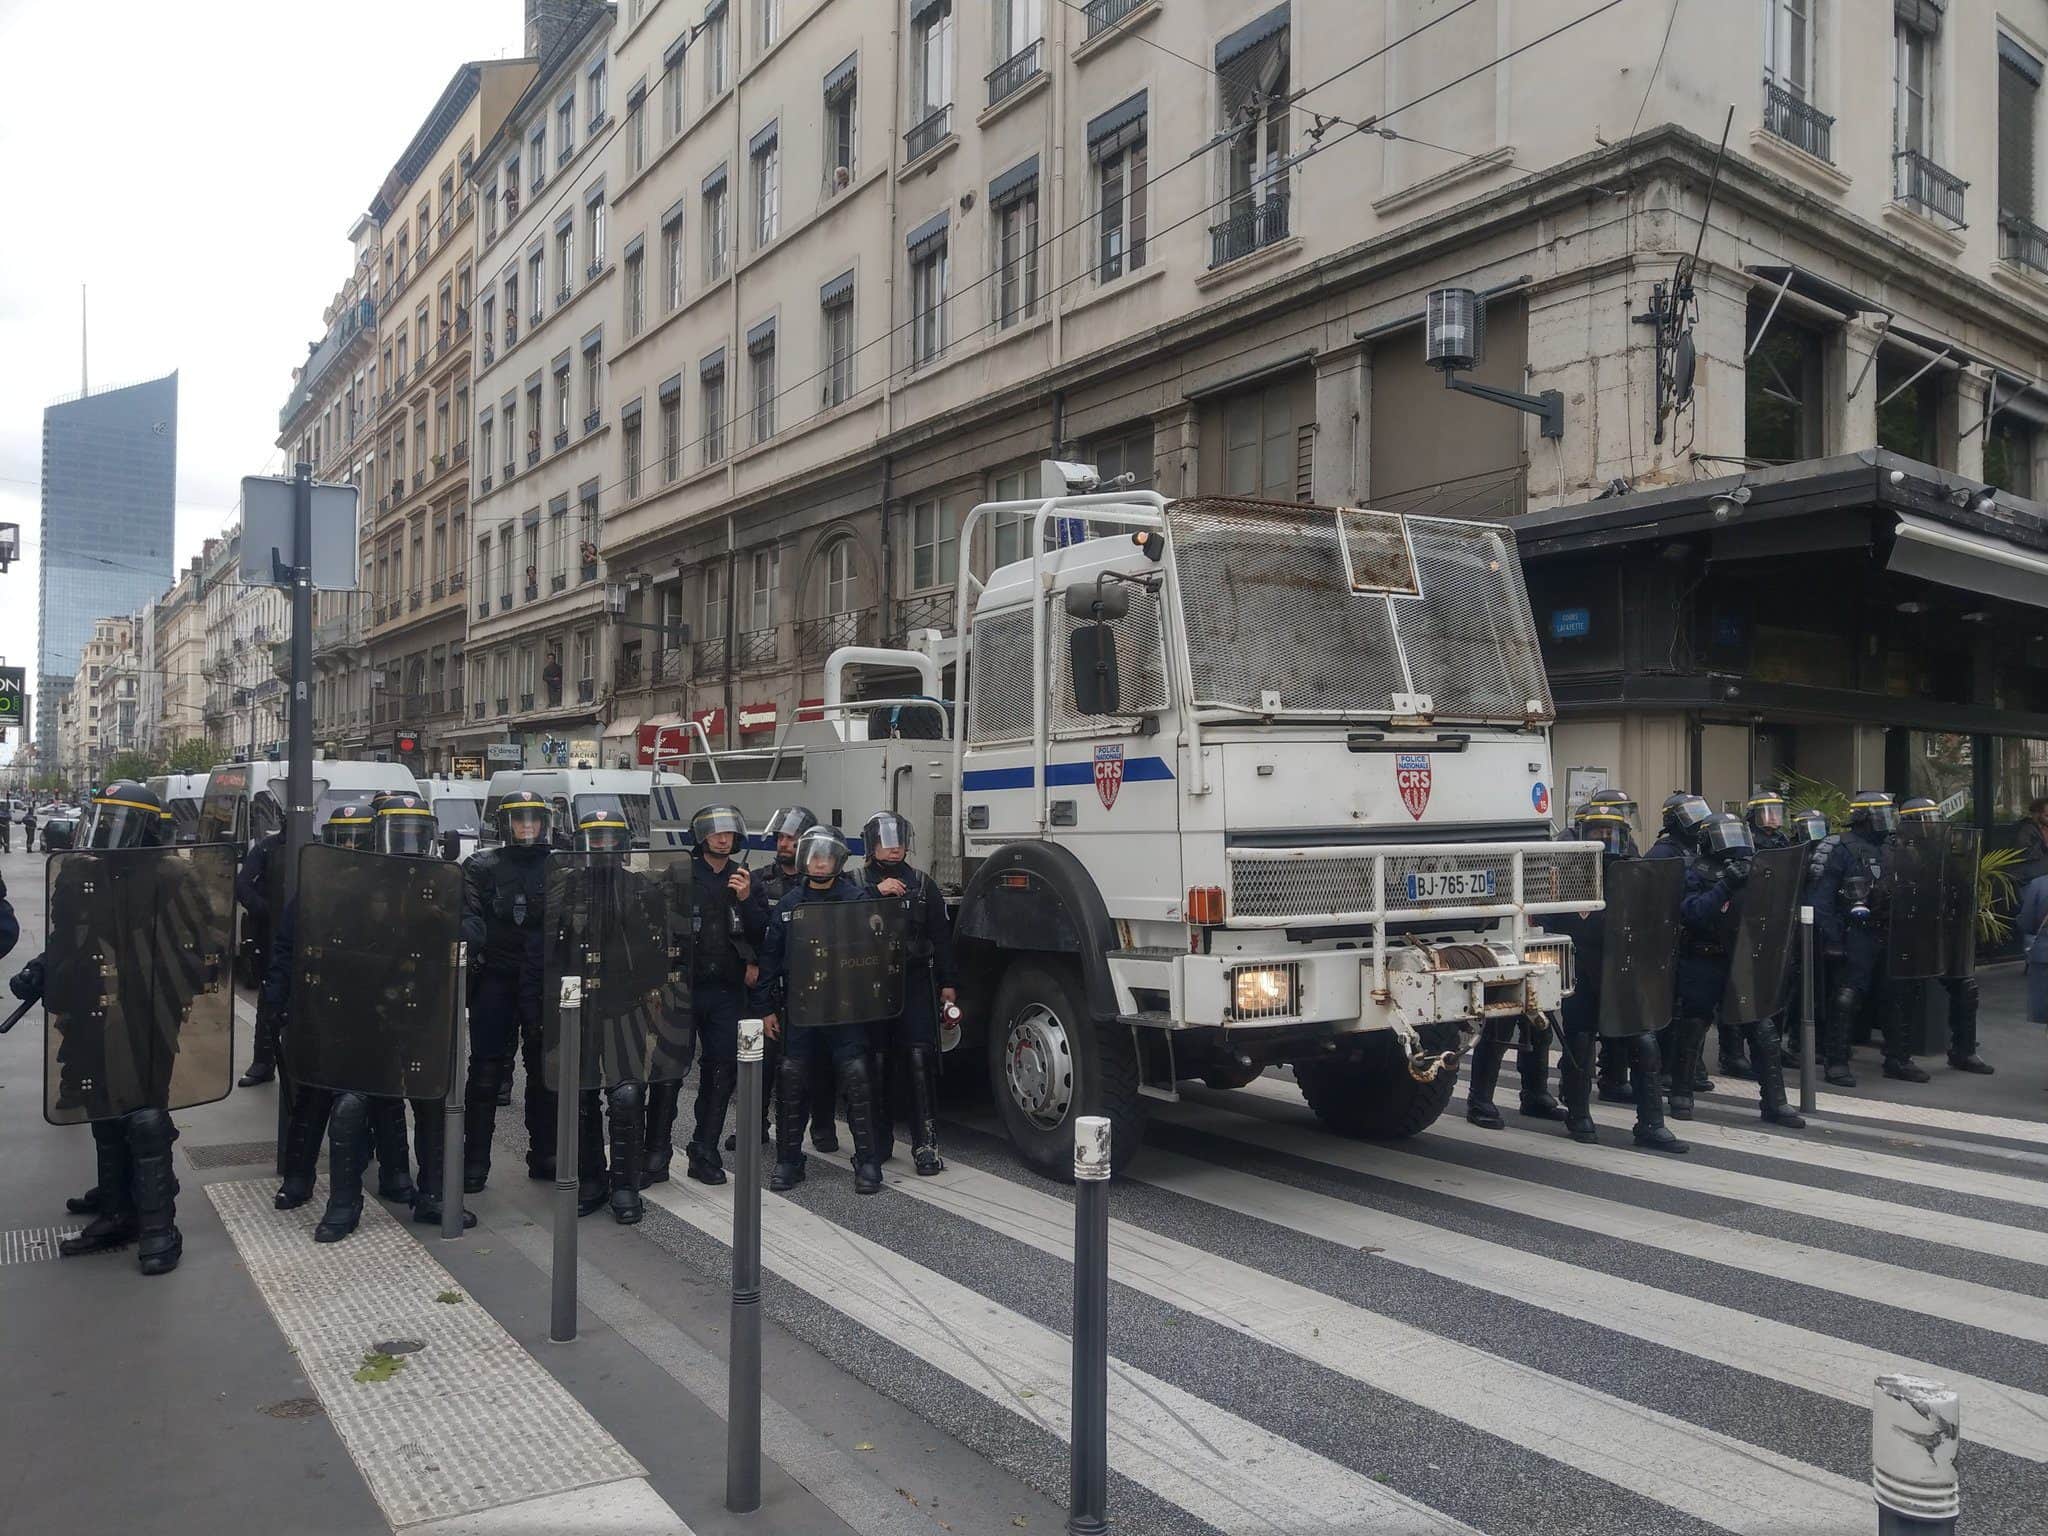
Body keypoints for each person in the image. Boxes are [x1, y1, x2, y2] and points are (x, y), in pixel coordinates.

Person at [9, 782, 188, 1275]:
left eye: (122, 825)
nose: (110, 836)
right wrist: (43, 970)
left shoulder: (173, 878)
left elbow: (199, 950)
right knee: (104, 1112)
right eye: (105, 822)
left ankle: (158, 1227)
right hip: (93, 1008)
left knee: (145, 1118)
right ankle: (117, 1208)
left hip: (147, 1015)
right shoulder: (80, 875)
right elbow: (69, 939)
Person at [1547, 790, 1687, 1152]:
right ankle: (1578, 1112)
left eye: (1611, 833)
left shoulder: (1636, 871)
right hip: (1583, 966)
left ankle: (1651, 1123)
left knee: (1644, 1042)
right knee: (1580, 1040)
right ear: (1583, 835)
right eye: (1598, 833)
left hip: (1624, 968)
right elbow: (1550, 919)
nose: (1605, 841)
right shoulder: (1567, 870)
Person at [755, 826, 886, 1194]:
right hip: (800, 1007)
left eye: (826, 857)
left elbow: (875, 953)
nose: (819, 863)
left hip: (844, 1007)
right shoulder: (789, 903)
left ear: (838, 860)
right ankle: (789, 1160)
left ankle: (867, 1161)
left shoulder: (856, 899)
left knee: (857, 1076)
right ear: (804, 859)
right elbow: (769, 960)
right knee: (792, 1076)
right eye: (813, 856)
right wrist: (765, 1009)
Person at [460, 791, 557, 1193]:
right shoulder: (481, 866)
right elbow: (467, 916)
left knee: (543, 1071)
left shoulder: (558, 866)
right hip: (495, 978)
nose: (528, 827)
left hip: (540, 981)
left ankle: (545, 1154)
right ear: (506, 825)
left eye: (535, 819)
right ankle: (474, 1161)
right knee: (485, 1072)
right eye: (520, 820)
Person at [672, 804, 768, 1186]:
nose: (723, 838)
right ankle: (654, 1153)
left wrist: (745, 900)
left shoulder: (744, 879)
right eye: (716, 833)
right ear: (701, 837)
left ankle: (705, 1149)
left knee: (721, 1071)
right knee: (669, 1072)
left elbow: (763, 934)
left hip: (726, 991)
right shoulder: (680, 875)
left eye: (729, 833)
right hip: (683, 988)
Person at [858, 811, 957, 1174]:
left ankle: (926, 1144)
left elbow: (941, 938)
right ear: (871, 844)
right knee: (876, 1061)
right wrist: (873, 893)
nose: (894, 846)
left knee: (919, 1060)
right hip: (872, 980)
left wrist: (948, 984)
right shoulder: (856, 880)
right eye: (886, 839)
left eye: (899, 838)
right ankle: (879, 1140)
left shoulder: (922, 883)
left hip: (914, 981)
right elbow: (839, 918)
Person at [1807, 790, 1923, 1086]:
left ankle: (1898, 1058)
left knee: (1897, 996)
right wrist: (1833, 939)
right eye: (1880, 815)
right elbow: (1822, 900)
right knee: (1847, 997)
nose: (1887, 822)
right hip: (1855, 932)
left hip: (1890, 930)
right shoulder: (1840, 847)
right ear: (1861, 817)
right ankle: (1836, 1060)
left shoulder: (1894, 848)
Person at [738, 805, 836, 1155]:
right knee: (762, 1061)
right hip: (771, 979)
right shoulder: (759, 878)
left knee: (819, 1062)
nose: (784, 843)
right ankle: (755, 1124)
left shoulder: (822, 881)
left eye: (792, 838)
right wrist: (750, 962)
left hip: (814, 982)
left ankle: (822, 1127)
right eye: (780, 837)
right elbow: (747, 928)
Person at [573, 807, 651, 1224]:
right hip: (579, 1003)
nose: (602, 845)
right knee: (582, 1095)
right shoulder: (566, 886)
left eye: (609, 838)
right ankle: (590, 1179)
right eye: (595, 837)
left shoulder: (639, 887)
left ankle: (625, 1184)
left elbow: (658, 943)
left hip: (625, 1001)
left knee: (626, 1096)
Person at [1899, 797, 1994, 1075]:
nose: (1932, 824)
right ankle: (1899, 1055)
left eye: (1934, 817)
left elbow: (1960, 888)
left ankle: (1964, 1051)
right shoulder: (1898, 849)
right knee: (1906, 992)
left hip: (1942, 930)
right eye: (1926, 819)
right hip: (1910, 932)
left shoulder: (1942, 852)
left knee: (1965, 986)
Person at [234, 825, 285, 1085]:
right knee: (268, 999)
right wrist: (266, 910)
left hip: (308, 933)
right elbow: (242, 884)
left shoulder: (314, 848)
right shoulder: (267, 847)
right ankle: (263, 1063)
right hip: (270, 936)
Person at [2014, 797, 2048, 886]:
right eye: (2047, 816)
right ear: (2036, 815)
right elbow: (2027, 857)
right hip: (2028, 880)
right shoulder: (2026, 830)